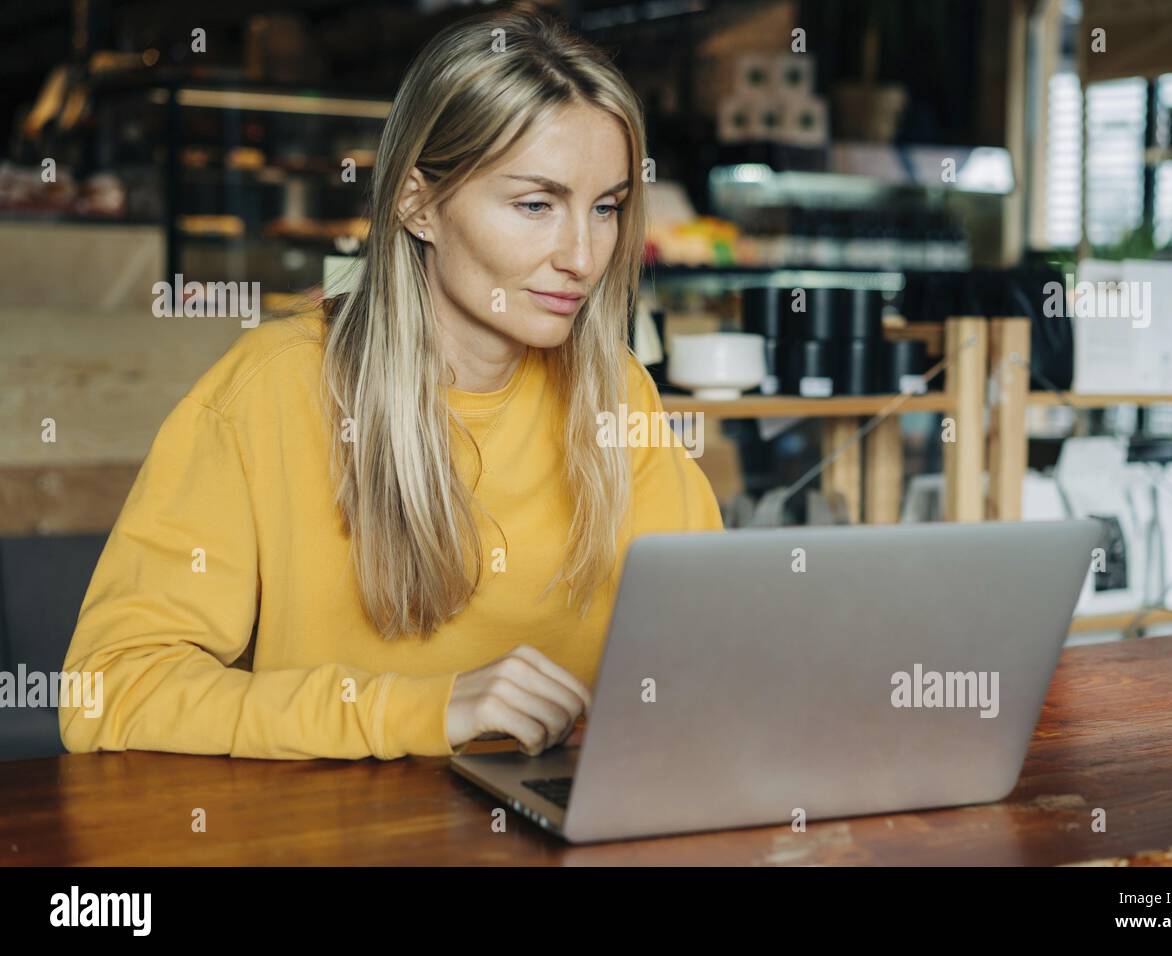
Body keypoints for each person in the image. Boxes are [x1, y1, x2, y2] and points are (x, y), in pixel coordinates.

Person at [59, 7, 722, 761]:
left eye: (606, 209)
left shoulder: (614, 392)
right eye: (536, 204)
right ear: (417, 204)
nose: (582, 255)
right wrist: (423, 712)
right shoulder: (270, 390)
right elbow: (108, 691)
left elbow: (719, 645)